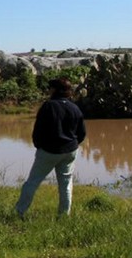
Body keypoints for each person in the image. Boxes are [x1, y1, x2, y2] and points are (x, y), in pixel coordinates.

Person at [14, 77, 86, 219]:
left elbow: (38, 130)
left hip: (49, 151)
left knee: (32, 182)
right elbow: (82, 133)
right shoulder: (74, 107)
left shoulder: (48, 106)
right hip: (70, 150)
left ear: (54, 90)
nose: (48, 91)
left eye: (50, 88)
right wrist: (73, 145)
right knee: (66, 184)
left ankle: (20, 212)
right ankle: (64, 215)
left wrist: (39, 146)